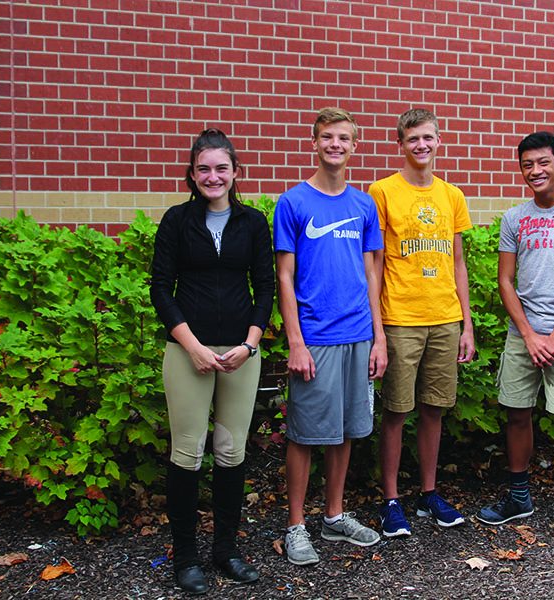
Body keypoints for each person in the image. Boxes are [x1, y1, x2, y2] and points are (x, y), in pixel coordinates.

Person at [150, 129, 274, 593]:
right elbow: (160, 288)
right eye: (203, 168)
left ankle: (226, 550)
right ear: (192, 174)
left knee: (231, 450)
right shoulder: (177, 221)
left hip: (241, 353)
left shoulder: (253, 223)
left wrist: (250, 344)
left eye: (222, 168)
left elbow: (265, 288)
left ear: (235, 173)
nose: (213, 176)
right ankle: (186, 557)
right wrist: (193, 346)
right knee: (186, 451)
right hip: (188, 352)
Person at [273, 107, 388, 566]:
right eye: (327, 137)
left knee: (345, 431)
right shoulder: (293, 202)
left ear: (354, 145)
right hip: (315, 337)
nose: (335, 145)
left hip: (358, 334)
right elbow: (284, 276)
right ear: (314, 142)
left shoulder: (363, 205)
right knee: (304, 435)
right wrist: (295, 341)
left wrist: (379, 338)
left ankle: (334, 516)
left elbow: (372, 274)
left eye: (343, 138)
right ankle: (296, 524)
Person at [477, 131, 554, 543]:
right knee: (516, 412)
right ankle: (518, 497)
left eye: (543, 163)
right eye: (528, 164)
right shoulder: (514, 218)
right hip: (523, 335)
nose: (535, 171)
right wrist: (529, 335)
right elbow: (505, 281)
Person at [368, 108, 475, 537]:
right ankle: (391, 500)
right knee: (396, 412)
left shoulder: (452, 196)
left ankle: (429, 494)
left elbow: (459, 263)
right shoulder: (382, 192)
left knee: (434, 410)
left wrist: (467, 324)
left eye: (428, 138)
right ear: (401, 144)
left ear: (438, 141)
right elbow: (373, 265)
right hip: (400, 319)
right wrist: (377, 329)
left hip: (445, 318)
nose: (421, 146)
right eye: (413, 139)